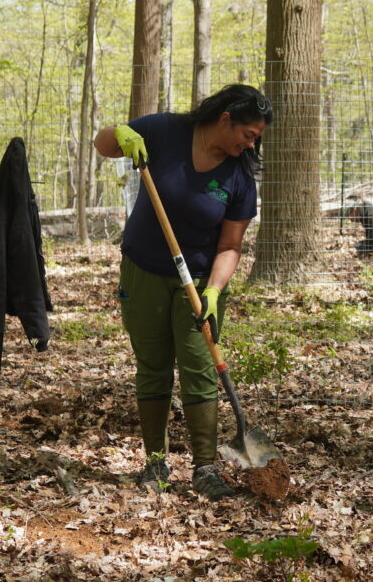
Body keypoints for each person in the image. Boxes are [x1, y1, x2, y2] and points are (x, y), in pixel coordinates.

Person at [94, 84, 272, 500]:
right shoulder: (165, 131)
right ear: (226, 118)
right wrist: (122, 134)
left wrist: (214, 292)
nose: (251, 143)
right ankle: (155, 462)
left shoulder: (239, 178)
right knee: (153, 366)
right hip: (143, 272)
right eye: (248, 134)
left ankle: (205, 467)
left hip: (200, 283)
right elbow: (103, 143)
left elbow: (230, 246)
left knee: (198, 367)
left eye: (257, 139)